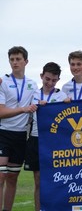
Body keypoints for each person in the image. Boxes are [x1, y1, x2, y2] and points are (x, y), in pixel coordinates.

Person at [23, 62, 67, 211]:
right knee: (38, 181)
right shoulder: (33, 94)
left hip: (55, 142)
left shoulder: (62, 96)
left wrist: (67, 104)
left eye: (54, 80)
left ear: (58, 80)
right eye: (47, 79)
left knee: (56, 180)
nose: (50, 83)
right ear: (42, 76)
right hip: (36, 139)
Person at [0, 46, 38, 211]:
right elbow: (1, 112)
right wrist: (23, 109)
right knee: (0, 176)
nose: (14, 62)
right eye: (12, 60)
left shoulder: (32, 84)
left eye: (18, 59)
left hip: (21, 136)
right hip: (3, 133)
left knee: (12, 178)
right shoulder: (3, 81)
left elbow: (44, 99)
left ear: (26, 62)